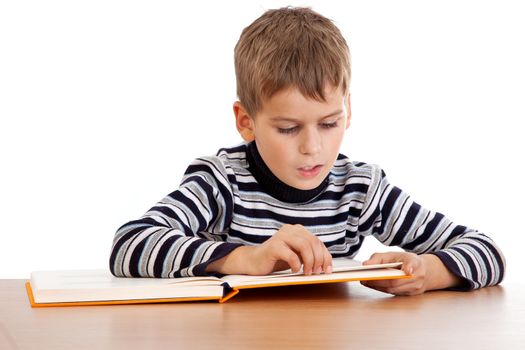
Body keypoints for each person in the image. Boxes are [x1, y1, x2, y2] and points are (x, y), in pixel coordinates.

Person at [109, 7, 505, 295]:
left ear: (348, 110)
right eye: (287, 128)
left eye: (329, 124)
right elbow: (130, 244)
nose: (313, 148)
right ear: (245, 121)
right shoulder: (221, 182)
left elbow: (488, 252)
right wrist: (244, 258)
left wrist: (429, 272)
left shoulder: (360, 189)